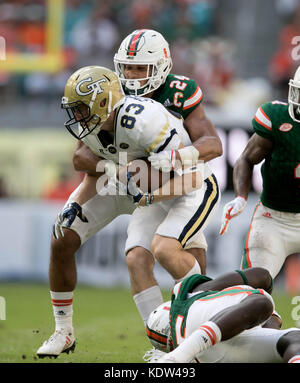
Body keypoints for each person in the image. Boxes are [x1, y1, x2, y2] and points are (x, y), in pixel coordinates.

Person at [36, 65, 219, 358]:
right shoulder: (96, 123)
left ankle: (207, 322)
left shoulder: (145, 121)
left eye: (82, 107)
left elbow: (191, 176)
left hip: (179, 185)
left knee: (169, 253)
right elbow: (84, 161)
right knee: (65, 239)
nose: (77, 116)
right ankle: (65, 331)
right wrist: (76, 202)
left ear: (103, 103)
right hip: (131, 183)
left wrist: (148, 195)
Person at [73, 29, 222, 327]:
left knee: (181, 256)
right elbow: (81, 153)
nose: (132, 75)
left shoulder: (179, 90)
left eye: (140, 67)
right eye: (127, 67)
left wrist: (176, 157)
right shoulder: (113, 93)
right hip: (147, 187)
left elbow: (213, 144)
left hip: (186, 183)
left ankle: (210, 319)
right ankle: (161, 339)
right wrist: (118, 168)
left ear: (161, 65)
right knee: (136, 258)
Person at [219, 66, 300, 284]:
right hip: (274, 218)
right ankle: (200, 292)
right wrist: (240, 197)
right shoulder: (278, 118)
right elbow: (246, 158)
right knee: (254, 289)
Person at [144, 267, 300, 363]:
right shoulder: (186, 295)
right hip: (193, 330)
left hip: (208, 354)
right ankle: (177, 356)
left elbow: (269, 326)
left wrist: (270, 318)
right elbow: (261, 275)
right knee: (262, 302)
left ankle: (178, 355)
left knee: (294, 339)